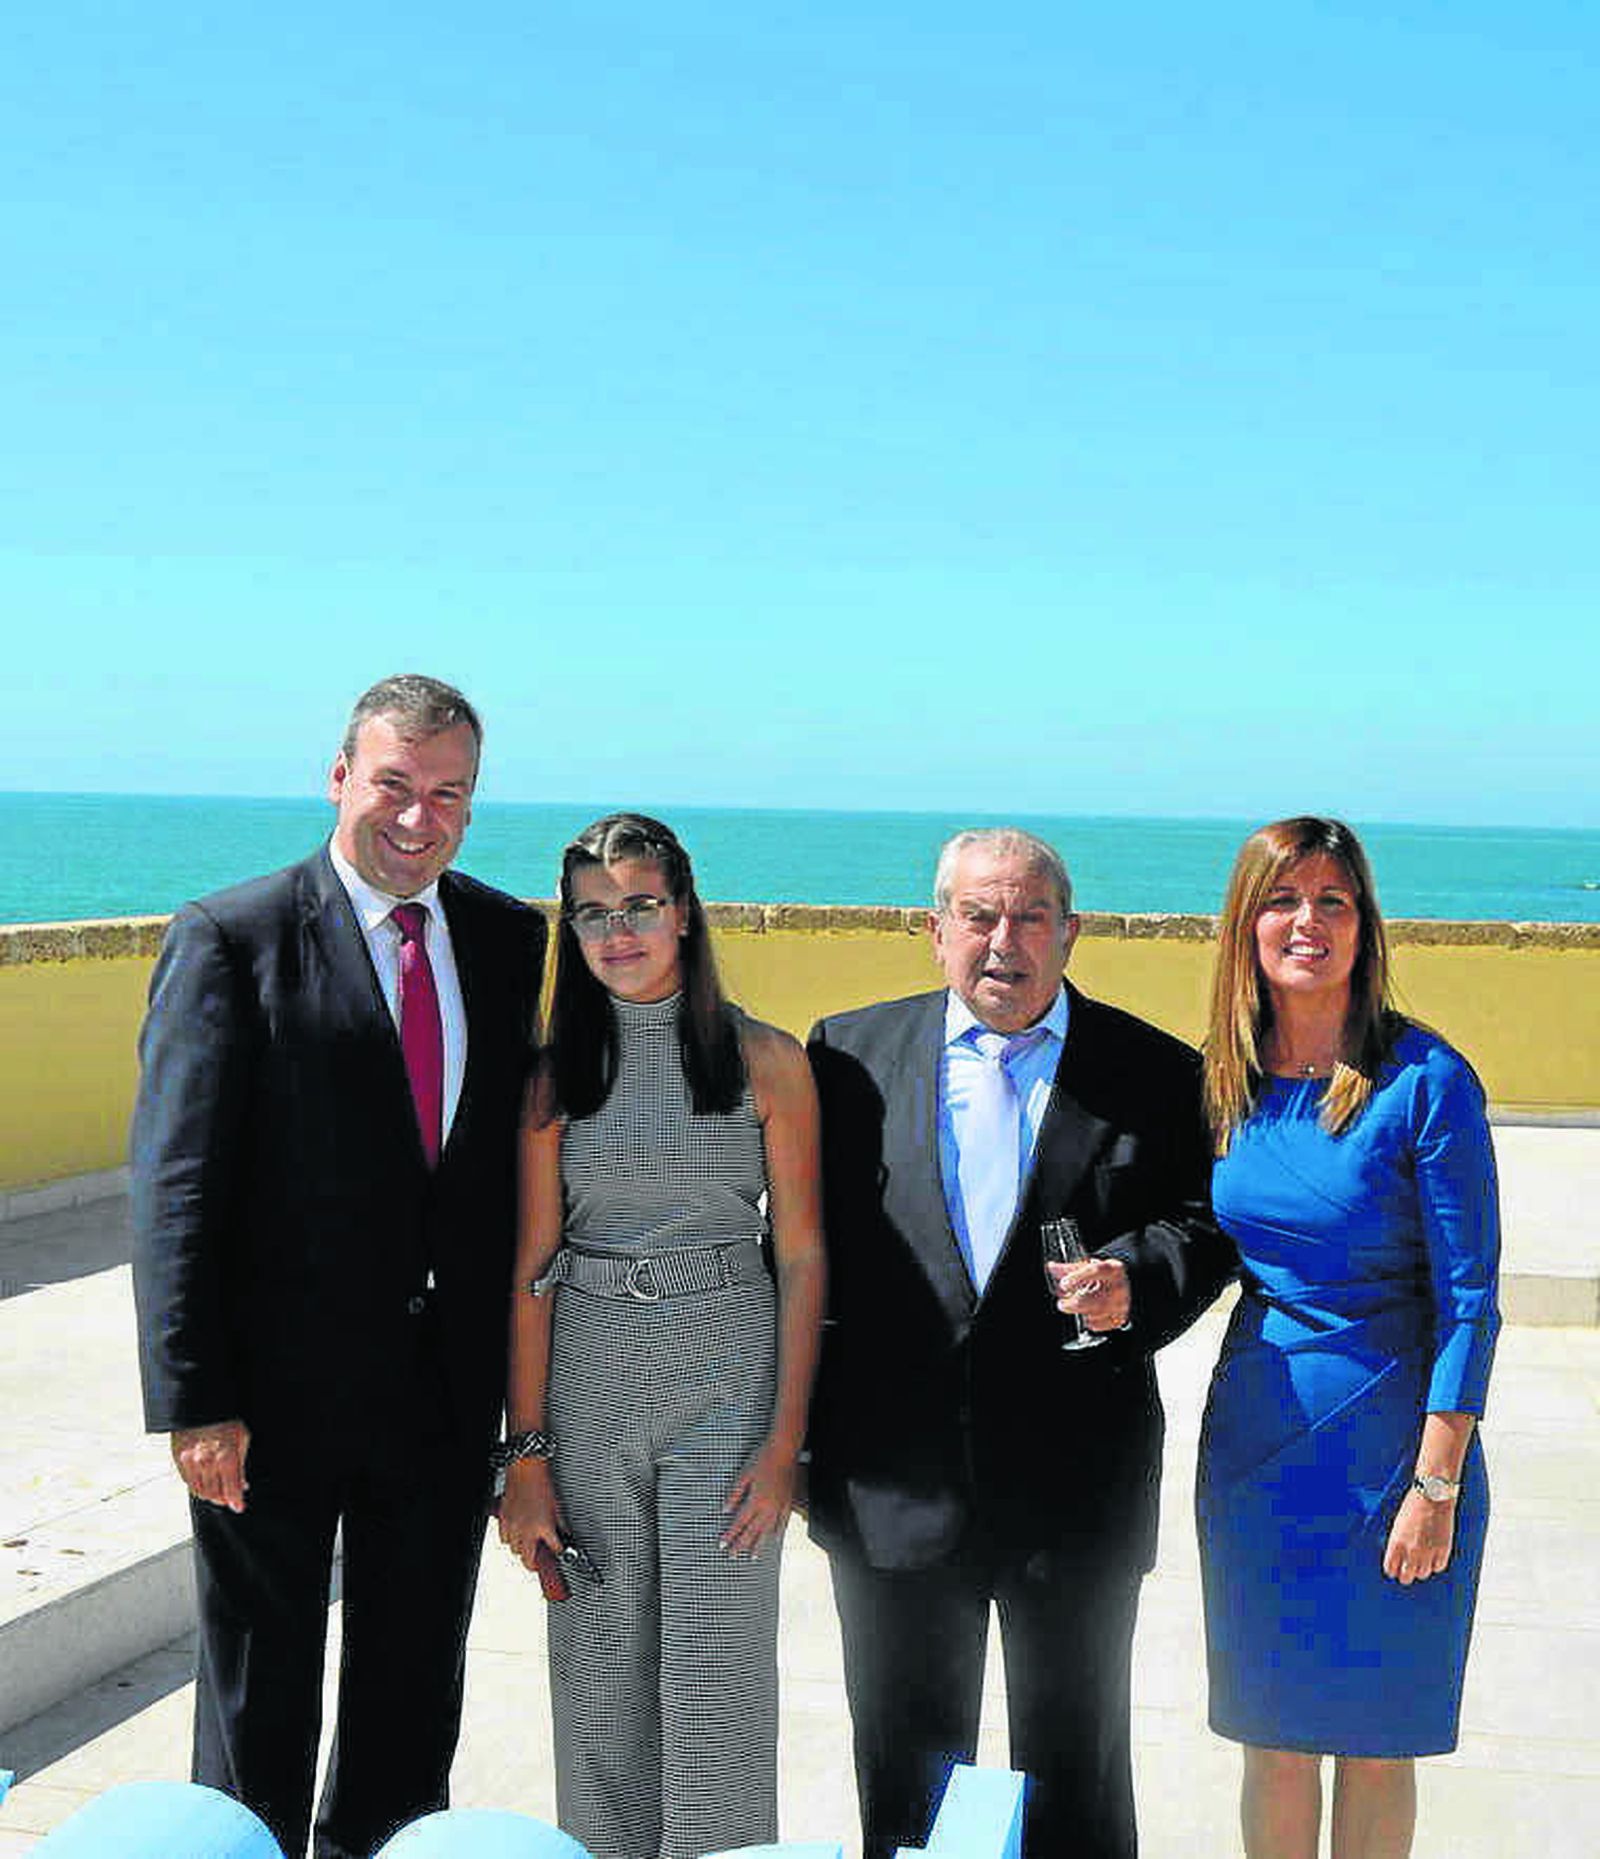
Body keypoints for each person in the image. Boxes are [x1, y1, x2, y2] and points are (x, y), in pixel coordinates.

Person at [130, 675, 546, 1859]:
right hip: (271, 1403)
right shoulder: (231, 936)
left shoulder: (511, 937)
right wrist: (194, 1396)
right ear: (338, 778)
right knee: (258, 1698)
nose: (419, 818)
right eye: (395, 786)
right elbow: (177, 1186)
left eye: (449, 792)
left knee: (412, 1698)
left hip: (440, 1396)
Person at [805, 827, 1234, 1859]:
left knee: (1077, 1778)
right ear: (934, 928)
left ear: (1071, 932)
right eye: (981, 915)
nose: (1006, 940)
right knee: (903, 1781)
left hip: (1074, 1494)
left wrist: (1136, 1279)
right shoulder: (843, 1057)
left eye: (1031, 916)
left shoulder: (1157, 1070)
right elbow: (797, 1246)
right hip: (892, 1488)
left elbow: (1203, 1222)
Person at [497, 812, 825, 1859]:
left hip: (728, 1385)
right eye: (592, 914)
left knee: (718, 1679)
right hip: (587, 1391)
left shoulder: (766, 1060)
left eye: (640, 904)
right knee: (599, 1675)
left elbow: (805, 1255)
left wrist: (785, 1447)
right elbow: (530, 1272)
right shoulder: (553, 1080)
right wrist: (526, 1456)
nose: (618, 931)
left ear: (684, 912)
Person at [1196, 816, 1501, 1859]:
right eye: (1283, 899)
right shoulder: (1223, 1079)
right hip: (1256, 1458)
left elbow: (1470, 1301)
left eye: (1333, 900)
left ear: (1365, 925)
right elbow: (1184, 1240)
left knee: (1376, 1741)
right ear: (1246, 923)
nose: (1306, 921)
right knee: (1270, 1741)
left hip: (1395, 1463)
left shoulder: (1426, 1081)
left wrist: (1436, 1484)